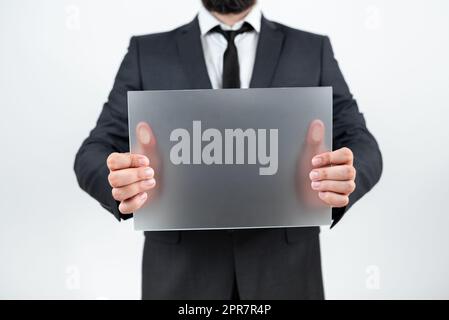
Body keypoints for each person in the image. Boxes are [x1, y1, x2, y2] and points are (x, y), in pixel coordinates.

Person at [74, 0, 382, 299]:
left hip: (284, 274)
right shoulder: (147, 52)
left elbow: (362, 143)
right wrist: (118, 181)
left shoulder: (311, 49)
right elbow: (94, 152)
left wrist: (342, 179)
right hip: (181, 276)